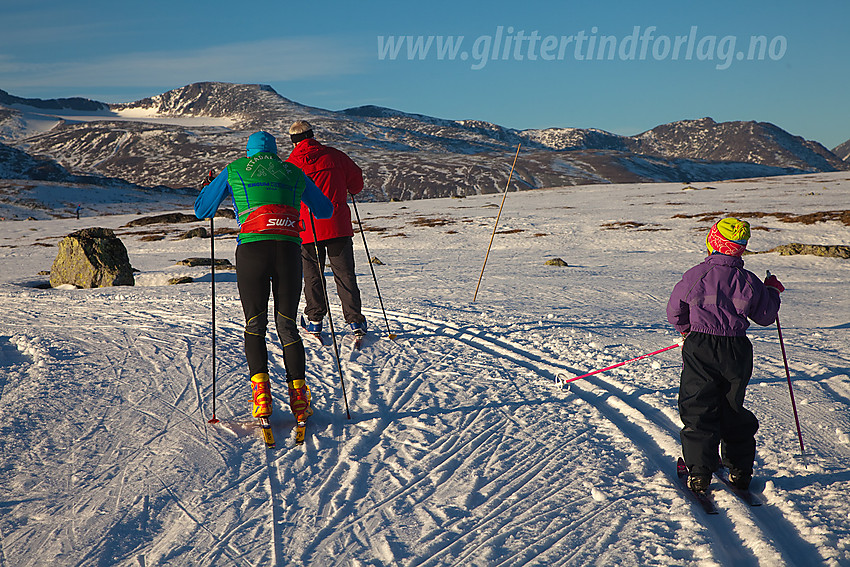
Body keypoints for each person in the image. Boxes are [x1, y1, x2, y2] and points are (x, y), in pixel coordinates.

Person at [195, 131, 333, 424]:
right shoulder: (293, 172)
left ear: (250, 152)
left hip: (252, 251)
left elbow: (201, 210)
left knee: (254, 324)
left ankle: (262, 399)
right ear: (274, 150)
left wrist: (209, 188)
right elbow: (324, 211)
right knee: (288, 326)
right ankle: (299, 398)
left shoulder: (234, 169)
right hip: (288, 251)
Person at [666, 217, 784, 493]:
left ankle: (699, 472)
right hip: (737, 349)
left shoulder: (696, 274)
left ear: (712, 241)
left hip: (701, 345)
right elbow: (765, 316)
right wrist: (772, 292)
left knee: (698, 406)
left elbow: (674, 311)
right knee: (733, 406)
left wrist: (687, 331)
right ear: (741, 248)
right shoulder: (750, 280)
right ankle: (740, 470)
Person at [285, 120, 368, 337]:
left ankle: (314, 320)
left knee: (313, 276)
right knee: (345, 274)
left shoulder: (290, 164)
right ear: (312, 135)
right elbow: (356, 184)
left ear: (293, 142)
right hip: (337, 226)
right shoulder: (335, 155)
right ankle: (355, 321)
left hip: (306, 230)